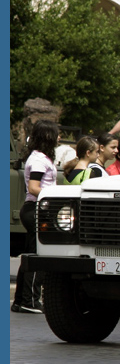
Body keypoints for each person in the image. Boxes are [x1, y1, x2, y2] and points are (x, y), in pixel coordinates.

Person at [13, 120, 61, 313]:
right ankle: (30, 300)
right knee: (38, 255)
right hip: (37, 208)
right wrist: (53, 195)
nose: (59, 138)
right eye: (57, 134)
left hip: (34, 209)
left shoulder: (39, 157)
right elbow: (34, 187)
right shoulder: (40, 160)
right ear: (48, 137)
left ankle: (20, 300)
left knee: (30, 253)